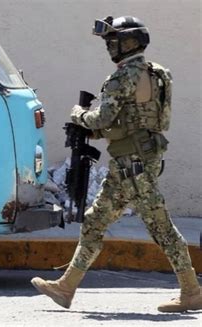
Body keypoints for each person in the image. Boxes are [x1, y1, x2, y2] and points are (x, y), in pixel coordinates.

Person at [31, 16, 202, 312]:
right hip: (135, 162)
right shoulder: (157, 73)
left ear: (129, 42)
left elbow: (104, 118)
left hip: (131, 167)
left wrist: (79, 115)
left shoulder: (122, 77)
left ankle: (191, 290)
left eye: (114, 41)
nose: (110, 47)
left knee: (162, 228)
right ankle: (66, 287)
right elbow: (146, 121)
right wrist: (101, 131)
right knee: (95, 222)